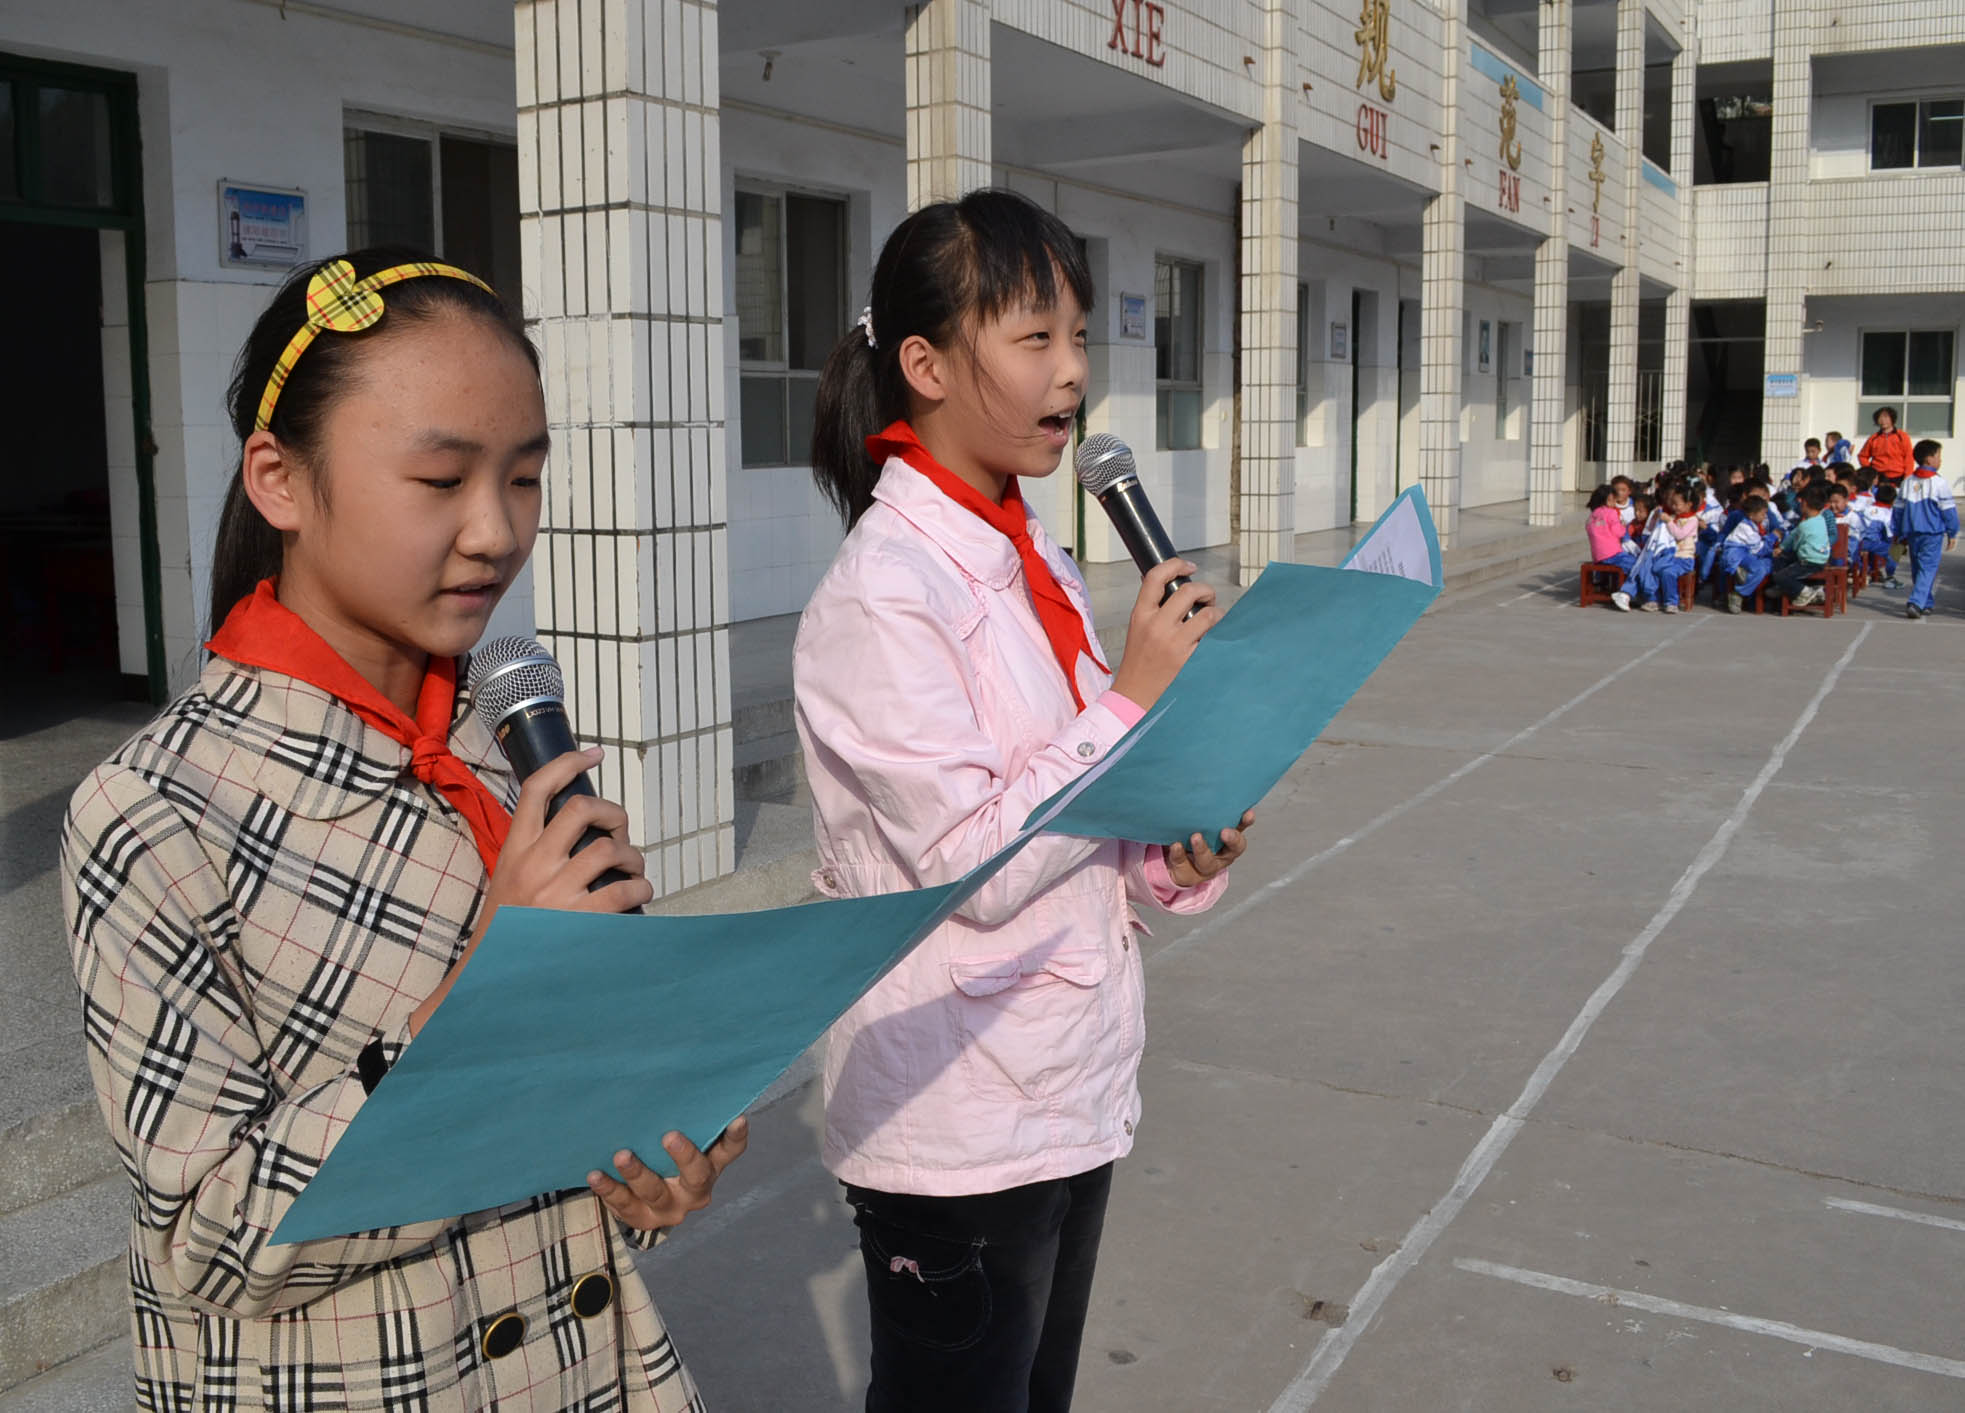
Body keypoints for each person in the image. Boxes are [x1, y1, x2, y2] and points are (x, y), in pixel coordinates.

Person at [61, 249, 744, 1412]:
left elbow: (568, 1100)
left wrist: (642, 1165)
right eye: (441, 481)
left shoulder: (505, 738)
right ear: (279, 480)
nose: (495, 532)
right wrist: (481, 997)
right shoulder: (153, 815)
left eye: (524, 478)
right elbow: (207, 1244)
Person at [793, 190, 1253, 1413]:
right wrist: (1131, 704)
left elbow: (1083, 806)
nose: (1072, 378)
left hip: (1065, 1083)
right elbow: (974, 864)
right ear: (927, 364)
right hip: (955, 1118)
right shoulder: (882, 594)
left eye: (1081, 338)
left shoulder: (1030, 550)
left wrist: (1176, 856)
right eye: (1034, 339)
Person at [1892, 438, 1958, 619]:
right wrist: (1953, 532)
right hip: (1932, 533)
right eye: (1938, 456)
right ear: (1929, 459)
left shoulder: (1907, 482)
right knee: (1927, 568)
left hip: (1912, 532)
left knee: (1918, 568)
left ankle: (1925, 602)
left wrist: (1897, 531)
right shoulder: (1939, 483)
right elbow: (1949, 511)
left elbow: (1897, 511)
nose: (1940, 460)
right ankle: (1916, 602)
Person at [1769, 483, 1833, 607]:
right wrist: (1782, 548)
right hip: (1821, 560)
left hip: (1808, 562)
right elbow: (1794, 535)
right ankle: (1808, 589)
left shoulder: (1805, 525)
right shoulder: (1820, 520)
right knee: (1782, 560)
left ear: (1805, 504)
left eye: (1801, 501)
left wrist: (1783, 549)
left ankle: (1805, 592)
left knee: (1780, 575)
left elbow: (1796, 543)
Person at [1721, 494, 1775, 612]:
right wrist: (1773, 537)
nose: (1764, 516)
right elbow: (1759, 549)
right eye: (1762, 514)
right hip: (1738, 555)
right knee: (1760, 569)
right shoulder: (1745, 527)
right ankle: (1738, 593)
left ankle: (1745, 575)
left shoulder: (1754, 526)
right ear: (1751, 515)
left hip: (1748, 553)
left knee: (1769, 564)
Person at [1586, 483, 1637, 578]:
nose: (1615, 502)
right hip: (1613, 555)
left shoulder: (1592, 516)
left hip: (1598, 556)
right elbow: (1619, 533)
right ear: (1605, 500)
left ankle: (1601, 580)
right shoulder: (1611, 512)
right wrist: (1623, 526)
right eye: (1612, 499)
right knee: (1637, 564)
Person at [1859, 406, 1916, 484]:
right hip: (1879, 477)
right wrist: (1871, 472)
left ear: (1892, 419)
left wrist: (1907, 476)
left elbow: (1909, 457)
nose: (1883, 421)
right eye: (1880, 418)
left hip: (1899, 476)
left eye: (1886, 417)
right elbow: (1862, 456)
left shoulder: (1902, 436)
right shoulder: (1873, 438)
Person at [1862, 482, 1901, 588]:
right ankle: (1890, 578)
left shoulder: (1867, 508)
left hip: (1859, 540)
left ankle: (1868, 571)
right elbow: (1890, 536)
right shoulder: (1887, 513)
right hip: (1870, 542)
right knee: (1896, 549)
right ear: (1893, 501)